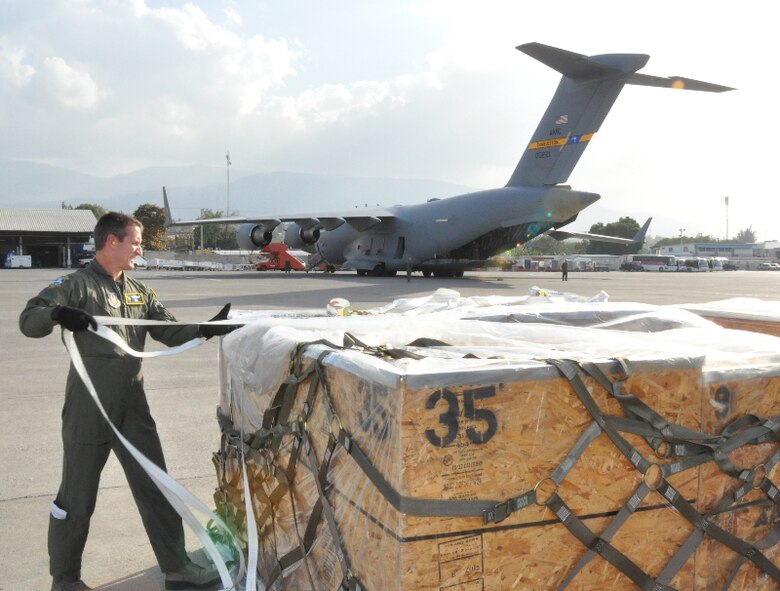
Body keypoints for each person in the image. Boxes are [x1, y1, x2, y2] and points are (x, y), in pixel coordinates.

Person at [19, 212, 237, 591]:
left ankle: (177, 566)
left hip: (133, 406)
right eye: (135, 242)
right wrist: (56, 313)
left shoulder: (139, 290)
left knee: (156, 484)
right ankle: (65, 580)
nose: (140, 249)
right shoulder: (76, 285)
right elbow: (29, 319)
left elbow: (167, 330)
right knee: (77, 494)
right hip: (90, 407)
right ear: (111, 242)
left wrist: (206, 328)